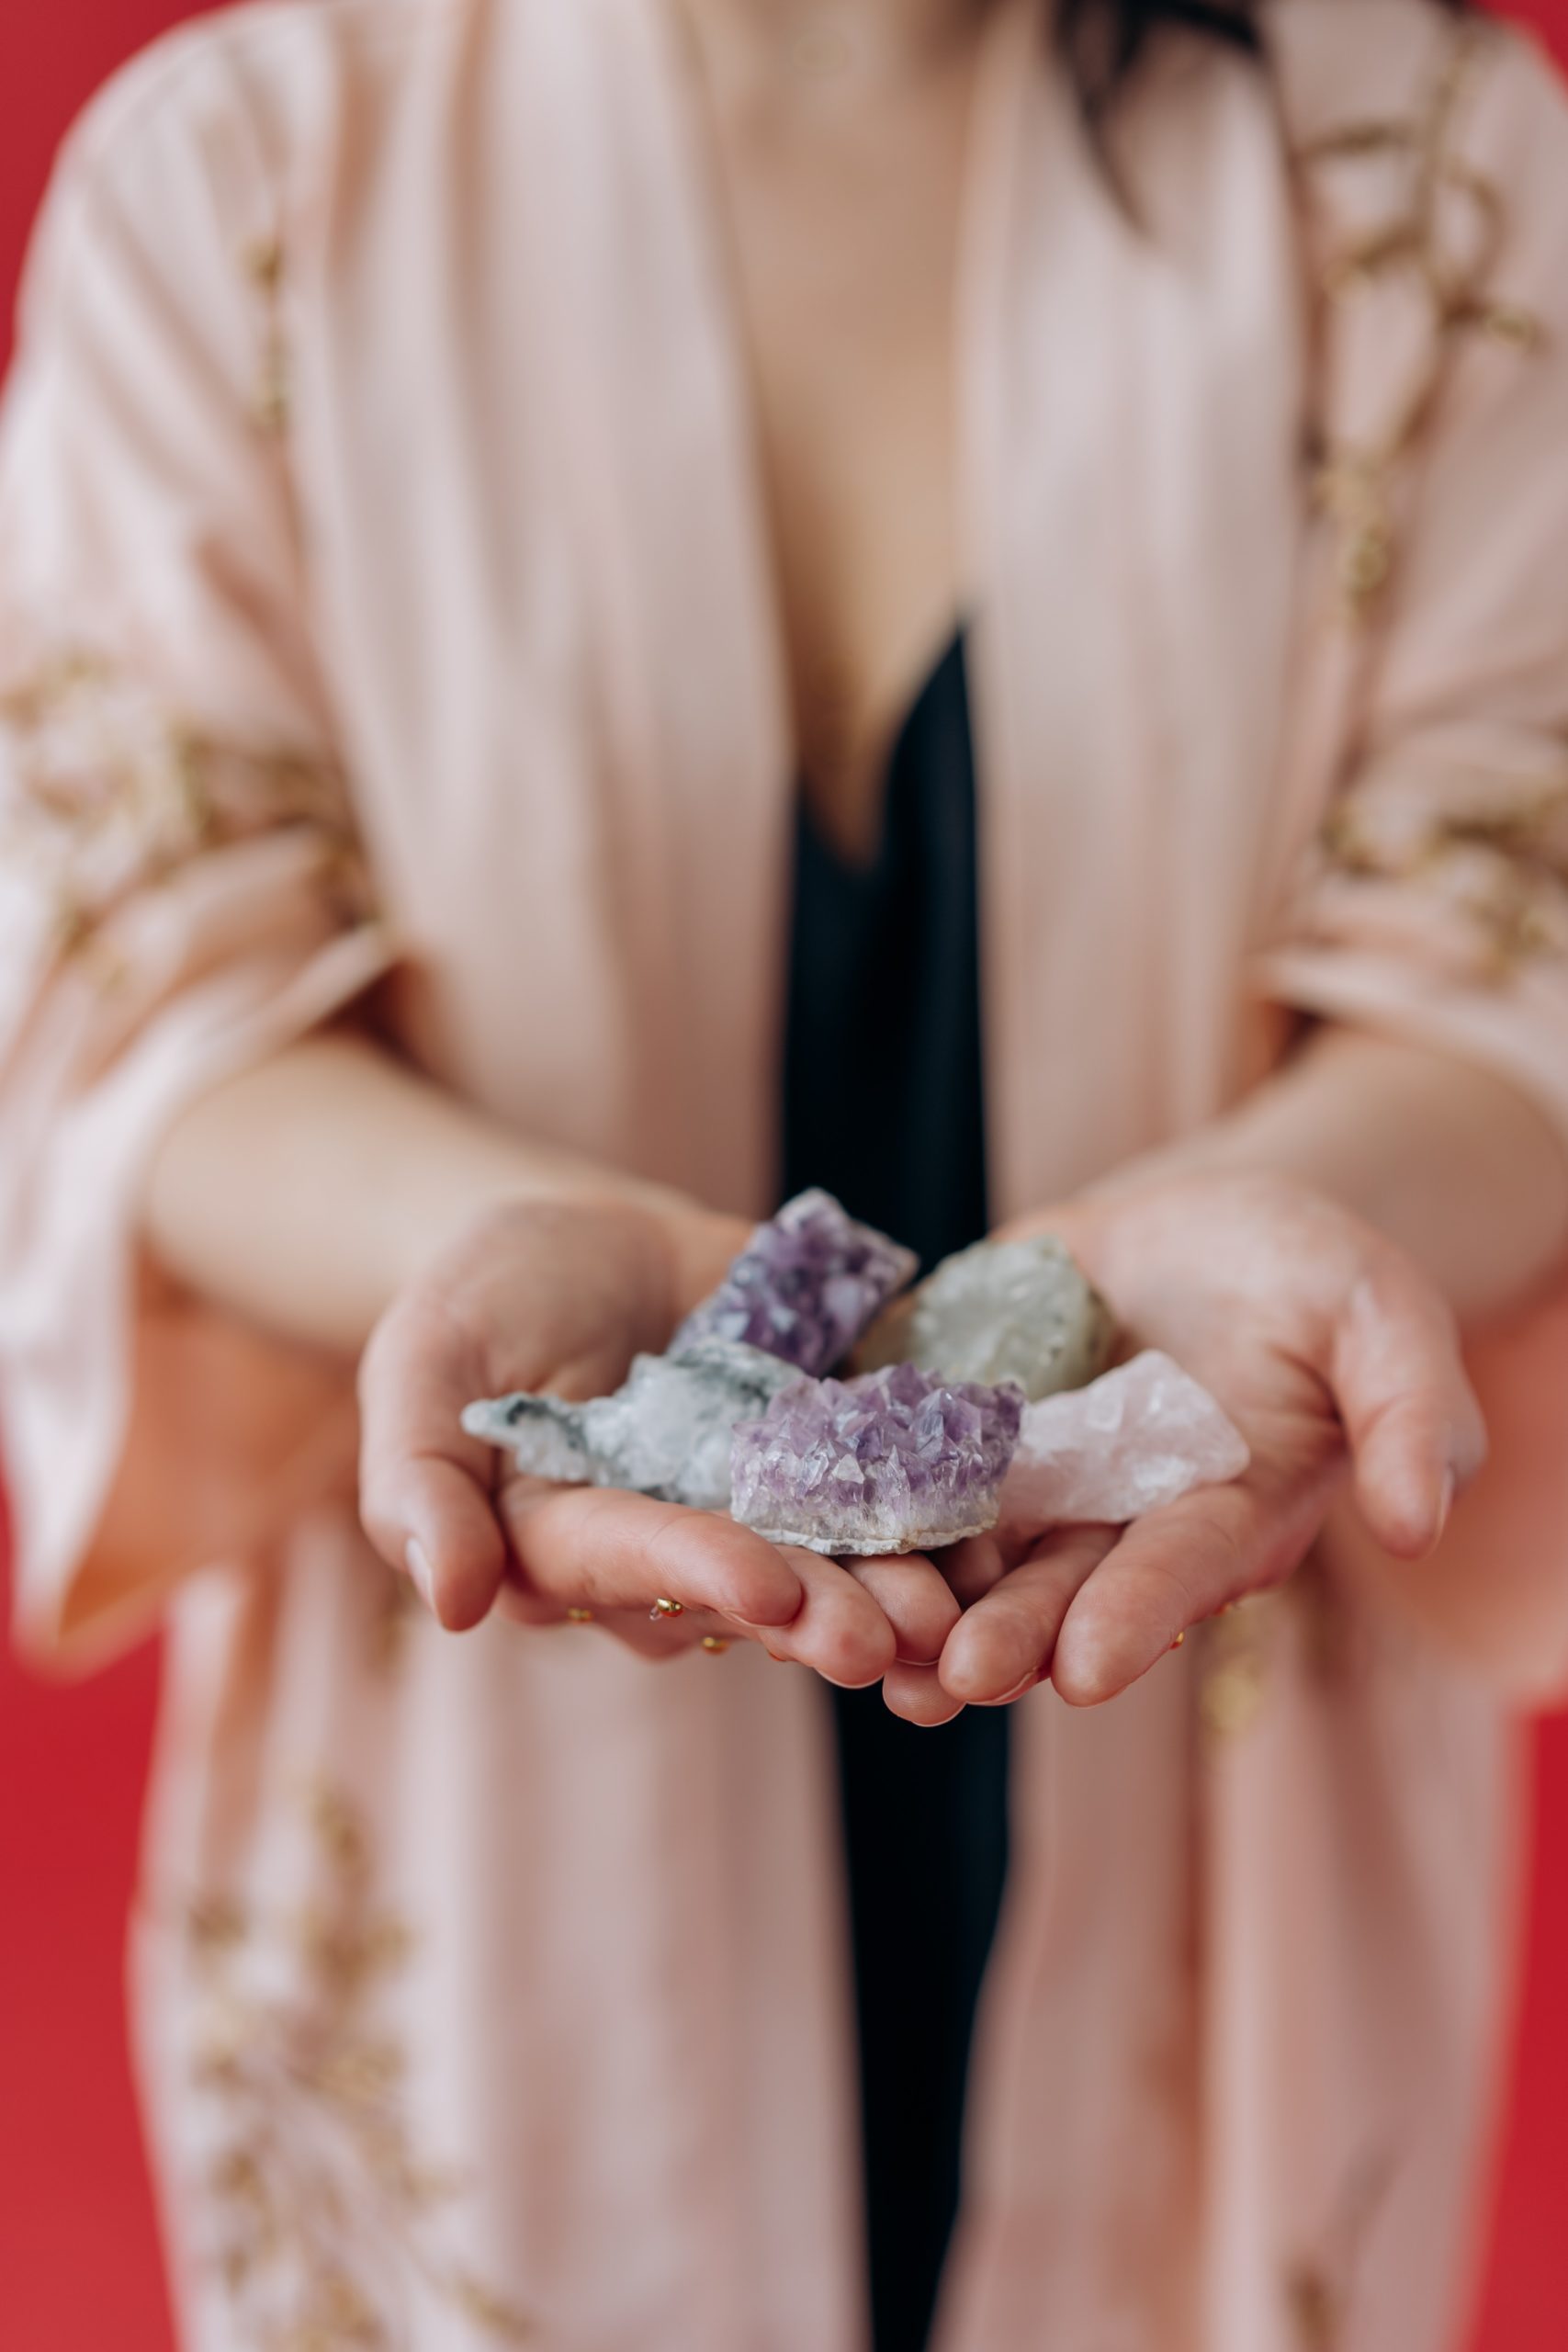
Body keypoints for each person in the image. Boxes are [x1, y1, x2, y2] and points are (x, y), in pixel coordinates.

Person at [3, 0, 1568, 2342]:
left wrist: (1276, 1242)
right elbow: (122, 982)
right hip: (482, 1789)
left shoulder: (1431, 167)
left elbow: (1511, 951)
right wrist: (472, 1263)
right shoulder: (236, 181)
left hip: (1206, 1709)